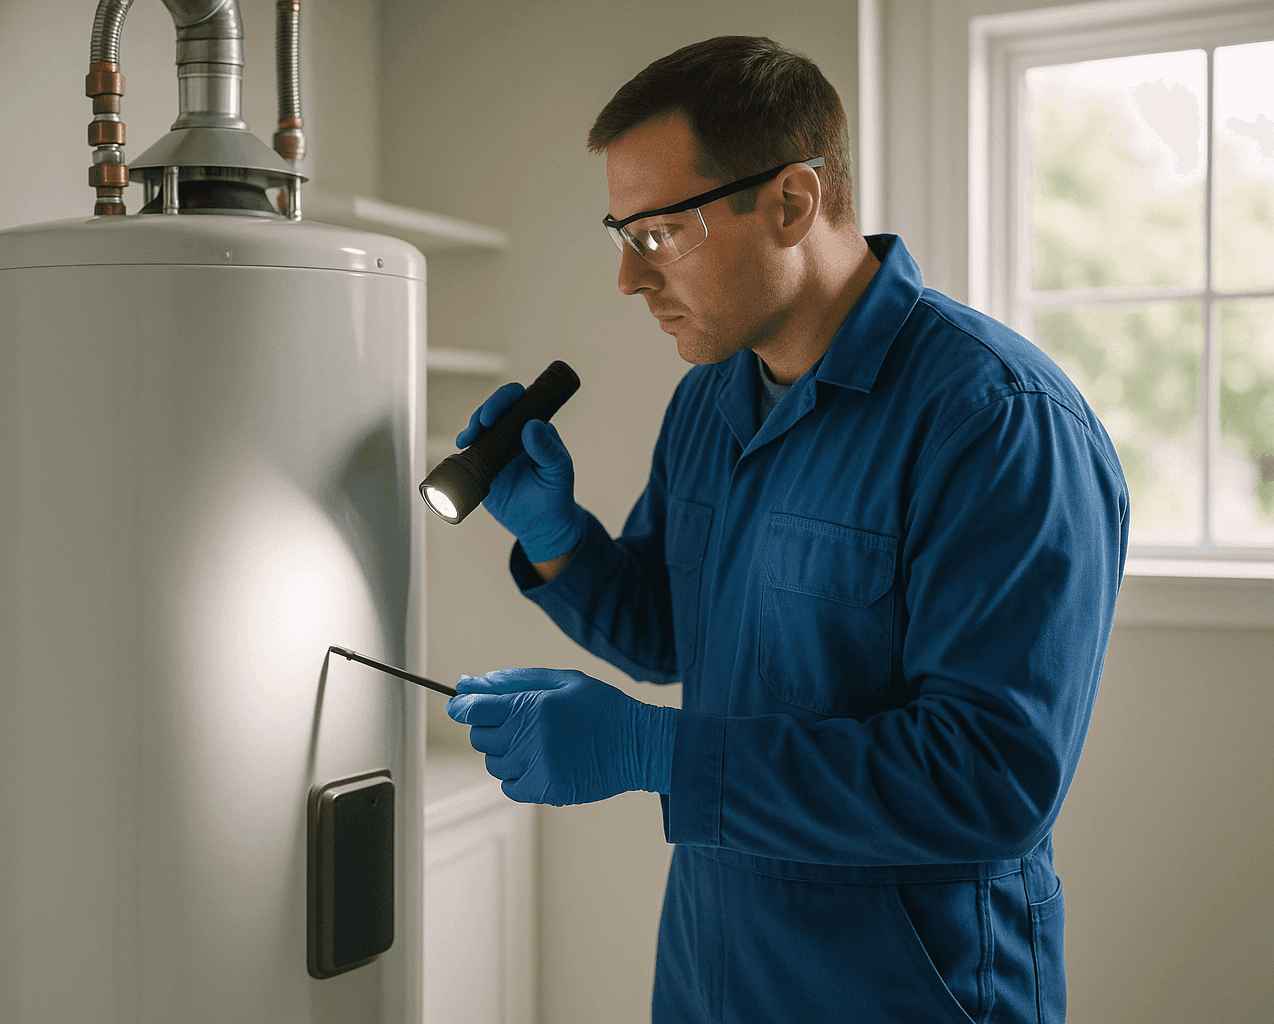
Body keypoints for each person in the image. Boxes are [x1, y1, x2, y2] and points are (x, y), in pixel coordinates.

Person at [444, 35, 1129, 1023]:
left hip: (905, 994)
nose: (631, 283)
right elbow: (677, 636)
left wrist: (657, 753)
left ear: (792, 201)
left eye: (659, 234)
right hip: (712, 976)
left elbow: (990, 779)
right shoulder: (714, 401)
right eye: (620, 235)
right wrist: (562, 540)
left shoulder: (995, 420)